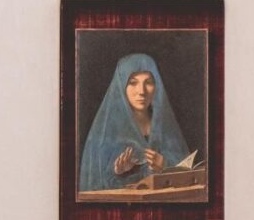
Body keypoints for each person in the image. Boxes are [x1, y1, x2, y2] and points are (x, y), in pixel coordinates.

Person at [79, 52, 190, 192]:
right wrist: (119, 173)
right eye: (133, 83)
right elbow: (94, 184)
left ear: (157, 86)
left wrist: (166, 165)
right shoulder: (104, 133)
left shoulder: (166, 127)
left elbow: (188, 172)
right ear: (121, 87)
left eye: (148, 82)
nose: (141, 91)